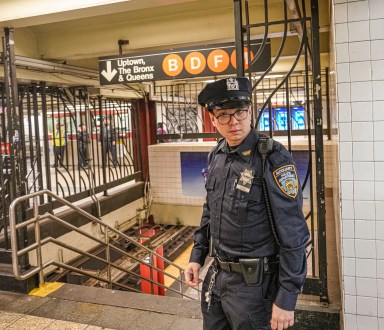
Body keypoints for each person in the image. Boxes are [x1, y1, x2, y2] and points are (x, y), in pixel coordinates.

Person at [184, 77, 310, 330]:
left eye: (240, 112)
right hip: (216, 279)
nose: (234, 122)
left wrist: (287, 298)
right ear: (212, 119)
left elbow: (293, 232)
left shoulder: (272, 157)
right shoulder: (217, 155)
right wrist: (197, 256)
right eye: (224, 115)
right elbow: (211, 211)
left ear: (249, 111)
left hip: (256, 289)